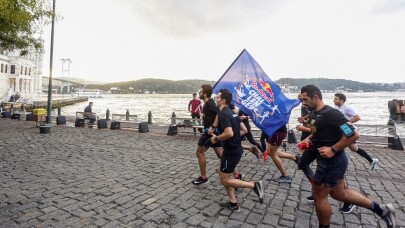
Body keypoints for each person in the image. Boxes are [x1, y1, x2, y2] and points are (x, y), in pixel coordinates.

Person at [299, 85, 397, 228]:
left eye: (306, 99)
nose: (303, 103)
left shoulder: (332, 114)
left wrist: (333, 149)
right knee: (339, 193)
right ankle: (382, 210)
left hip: (332, 161)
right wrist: (309, 139)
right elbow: (318, 131)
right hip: (329, 161)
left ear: (315, 97)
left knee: (319, 195)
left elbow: (353, 134)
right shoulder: (314, 113)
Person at [211, 88, 264, 211]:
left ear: (223, 101)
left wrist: (217, 138)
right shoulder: (233, 113)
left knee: (224, 179)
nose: (216, 99)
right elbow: (244, 130)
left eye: (217, 97)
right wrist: (233, 137)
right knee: (223, 175)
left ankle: (254, 185)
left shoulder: (224, 113)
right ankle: (233, 203)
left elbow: (229, 133)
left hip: (231, 151)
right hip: (236, 149)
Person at [333, 93, 379, 171]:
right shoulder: (335, 107)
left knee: (339, 146)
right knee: (353, 148)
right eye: (334, 99)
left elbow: (357, 117)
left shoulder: (347, 108)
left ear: (341, 100)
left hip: (347, 130)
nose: (333, 100)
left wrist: (349, 122)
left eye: (336, 99)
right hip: (340, 129)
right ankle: (372, 160)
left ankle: (336, 165)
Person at [191, 85, 224, 185]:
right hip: (213, 133)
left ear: (205, 94)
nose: (199, 93)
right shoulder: (206, 103)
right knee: (221, 155)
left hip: (209, 133)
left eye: (200, 91)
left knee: (199, 153)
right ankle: (236, 175)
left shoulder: (210, 103)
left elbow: (219, 113)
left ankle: (203, 177)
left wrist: (212, 127)